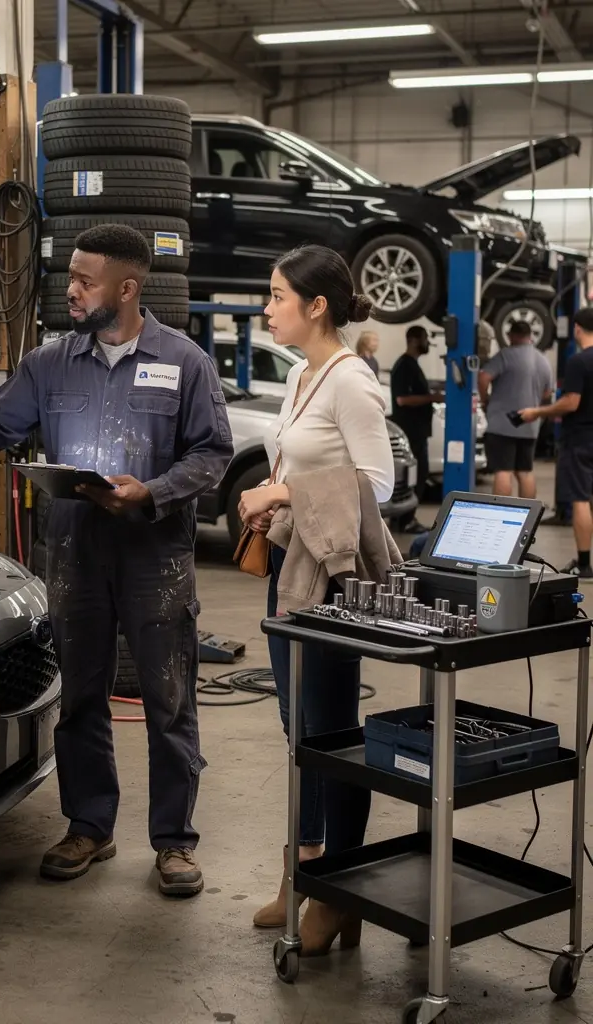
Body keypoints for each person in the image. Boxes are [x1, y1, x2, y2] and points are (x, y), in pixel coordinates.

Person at [0, 224, 234, 895]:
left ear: (128, 287)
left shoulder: (186, 362)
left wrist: (153, 492)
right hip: (78, 554)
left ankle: (173, 843)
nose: (72, 291)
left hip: (155, 557)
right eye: (71, 277)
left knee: (170, 700)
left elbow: (212, 454)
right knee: (81, 697)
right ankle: (90, 827)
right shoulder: (49, 363)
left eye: (85, 280)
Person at [236, 244, 394, 955]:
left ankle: (340, 889)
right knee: (298, 729)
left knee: (332, 734)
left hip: (337, 581)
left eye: (276, 296)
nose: (267, 308)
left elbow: (379, 484)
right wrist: (278, 503)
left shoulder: (350, 380)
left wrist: (282, 491)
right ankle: (302, 872)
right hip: (292, 568)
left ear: (316, 304)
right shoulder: (302, 374)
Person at [519, 307, 593, 578]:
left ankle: (584, 564)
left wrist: (537, 412)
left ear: (576, 329)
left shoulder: (579, 361)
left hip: (581, 441)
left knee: (581, 500)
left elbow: (571, 402)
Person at [478, 319, 554, 499]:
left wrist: (485, 400)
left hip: (502, 424)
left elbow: (483, 377)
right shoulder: (543, 360)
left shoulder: (505, 355)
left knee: (503, 471)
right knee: (525, 471)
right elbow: (548, 392)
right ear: (530, 337)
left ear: (511, 335)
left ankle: (502, 514)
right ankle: (527, 516)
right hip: (529, 426)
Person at [390, 325, 443, 531]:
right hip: (410, 432)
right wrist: (433, 398)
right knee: (416, 474)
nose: (428, 343)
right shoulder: (404, 366)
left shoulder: (411, 365)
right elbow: (402, 399)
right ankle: (405, 521)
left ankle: (404, 519)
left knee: (419, 474)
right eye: (424, 339)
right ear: (413, 340)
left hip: (417, 432)